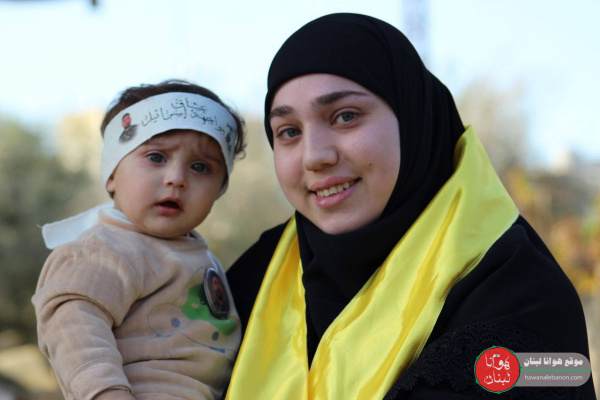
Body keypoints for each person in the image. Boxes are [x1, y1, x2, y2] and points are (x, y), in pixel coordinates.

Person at [224, 13, 596, 399]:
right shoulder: (256, 276)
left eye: (345, 116)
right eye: (289, 132)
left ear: (413, 119)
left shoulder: (521, 292)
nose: (314, 155)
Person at [33, 80, 246, 400]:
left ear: (220, 189)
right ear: (112, 173)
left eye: (200, 167)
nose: (177, 178)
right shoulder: (105, 249)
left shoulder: (199, 255)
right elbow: (72, 325)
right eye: (157, 157)